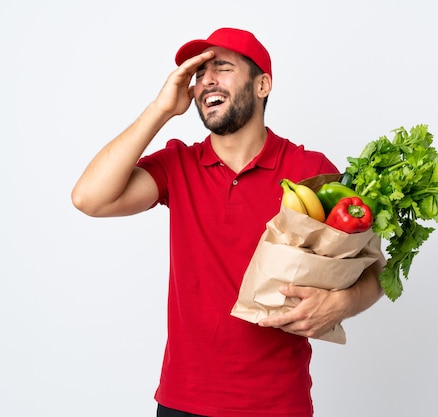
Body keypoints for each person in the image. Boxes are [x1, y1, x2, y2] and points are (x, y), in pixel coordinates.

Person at [72, 27, 384, 417]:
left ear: (262, 85)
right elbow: (89, 198)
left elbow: (374, 272)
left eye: (221, 67)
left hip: (277, 404)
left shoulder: (312, 172)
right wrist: (161, 110)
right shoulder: (178, 165)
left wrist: (340, 303)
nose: (206, 81)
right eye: (200, 74)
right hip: (183, 401)